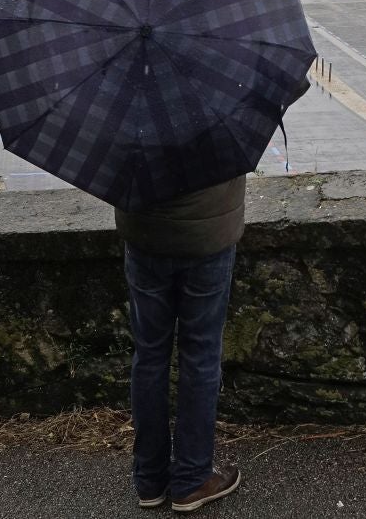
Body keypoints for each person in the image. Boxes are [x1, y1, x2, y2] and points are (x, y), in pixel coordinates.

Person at [115, 174, 246, 512]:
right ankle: (192, 478)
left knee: (149, 356)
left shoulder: (133, 133)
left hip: (145, 232)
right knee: (201, 356)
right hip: (208, 235)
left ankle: (150, 478)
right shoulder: (218, 133)